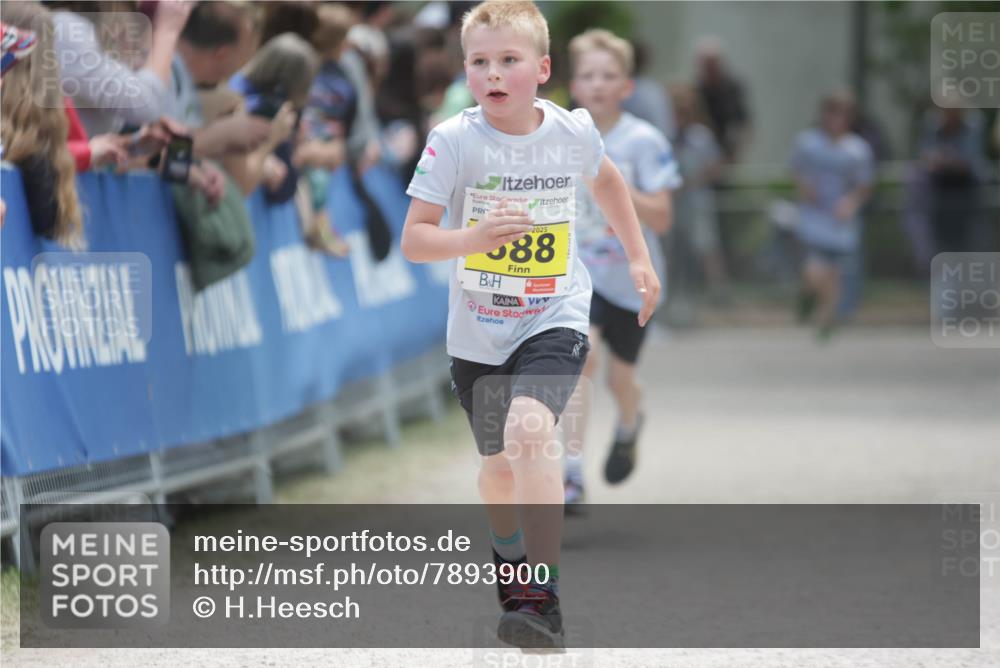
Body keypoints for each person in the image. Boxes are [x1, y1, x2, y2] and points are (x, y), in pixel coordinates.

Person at [401, 0, 660, 650]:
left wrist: (637, 258)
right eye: (480, 62)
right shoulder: (454, 140)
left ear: (543, 69)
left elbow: (607, 183)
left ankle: (540, 595)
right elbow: (415, 240)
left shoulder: (571, 132)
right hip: (478, 331)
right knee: (498, 472)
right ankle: (511, 566)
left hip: (555, 314)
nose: (493, 73)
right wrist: (476, 237)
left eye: (508, 60)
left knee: (531, 431)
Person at [559, 29, 678, 508]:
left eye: (609, 75)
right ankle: (571, 475)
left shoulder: (643, 140)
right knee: (579, 360)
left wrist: (616, 186)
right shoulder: (557, 135)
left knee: (618, 380)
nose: (598, 84)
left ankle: (630, 422)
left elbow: (664, 217)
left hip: (632, 279)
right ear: (572, 83)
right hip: (576, 275)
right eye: (588, 75)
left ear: (626, 87)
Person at [790, 90, 874, 342]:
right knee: (814, 270)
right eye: (832, 113)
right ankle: (808, 295)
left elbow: (864, 185)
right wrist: (805, 188)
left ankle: (827, 320)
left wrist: (850, 203)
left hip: (840, 218)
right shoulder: (808, 142)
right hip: (814, 215)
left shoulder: (857, 149)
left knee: (834, 272)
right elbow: (796, 170)